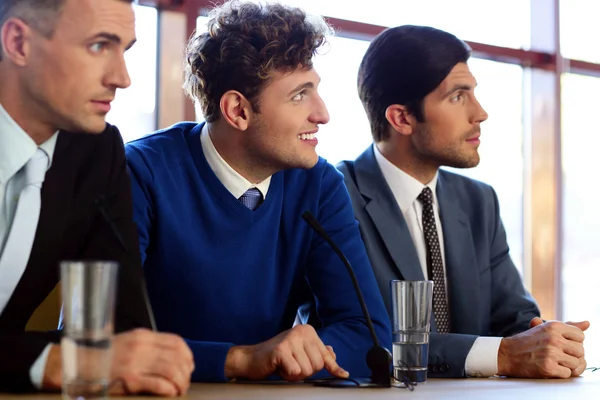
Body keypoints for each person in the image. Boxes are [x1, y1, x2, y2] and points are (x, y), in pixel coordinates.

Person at [125, 0, 391, 383]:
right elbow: (101, 340)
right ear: (238, 111)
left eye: (315, 90)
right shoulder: (139, 172)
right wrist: (240, 360)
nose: (322, 113)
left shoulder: (319, 184)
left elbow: (368, 337)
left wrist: (295, 354)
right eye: (300, 95)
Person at [338, 25, 590, 379]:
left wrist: (550, 342)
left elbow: (514, 319)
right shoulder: (336, 198)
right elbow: (364, 339)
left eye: (473, 93)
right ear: (402, 118)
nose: (480, 113)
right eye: (458, 96)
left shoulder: (478, 200)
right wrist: (501, 354)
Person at [0, 0, 193, 395]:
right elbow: (89, 358)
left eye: (125, 49)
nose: (122, 78)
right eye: (98, 46)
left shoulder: (97, 150)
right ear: (18, 42)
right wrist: (58, 360)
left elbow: (122, 326)